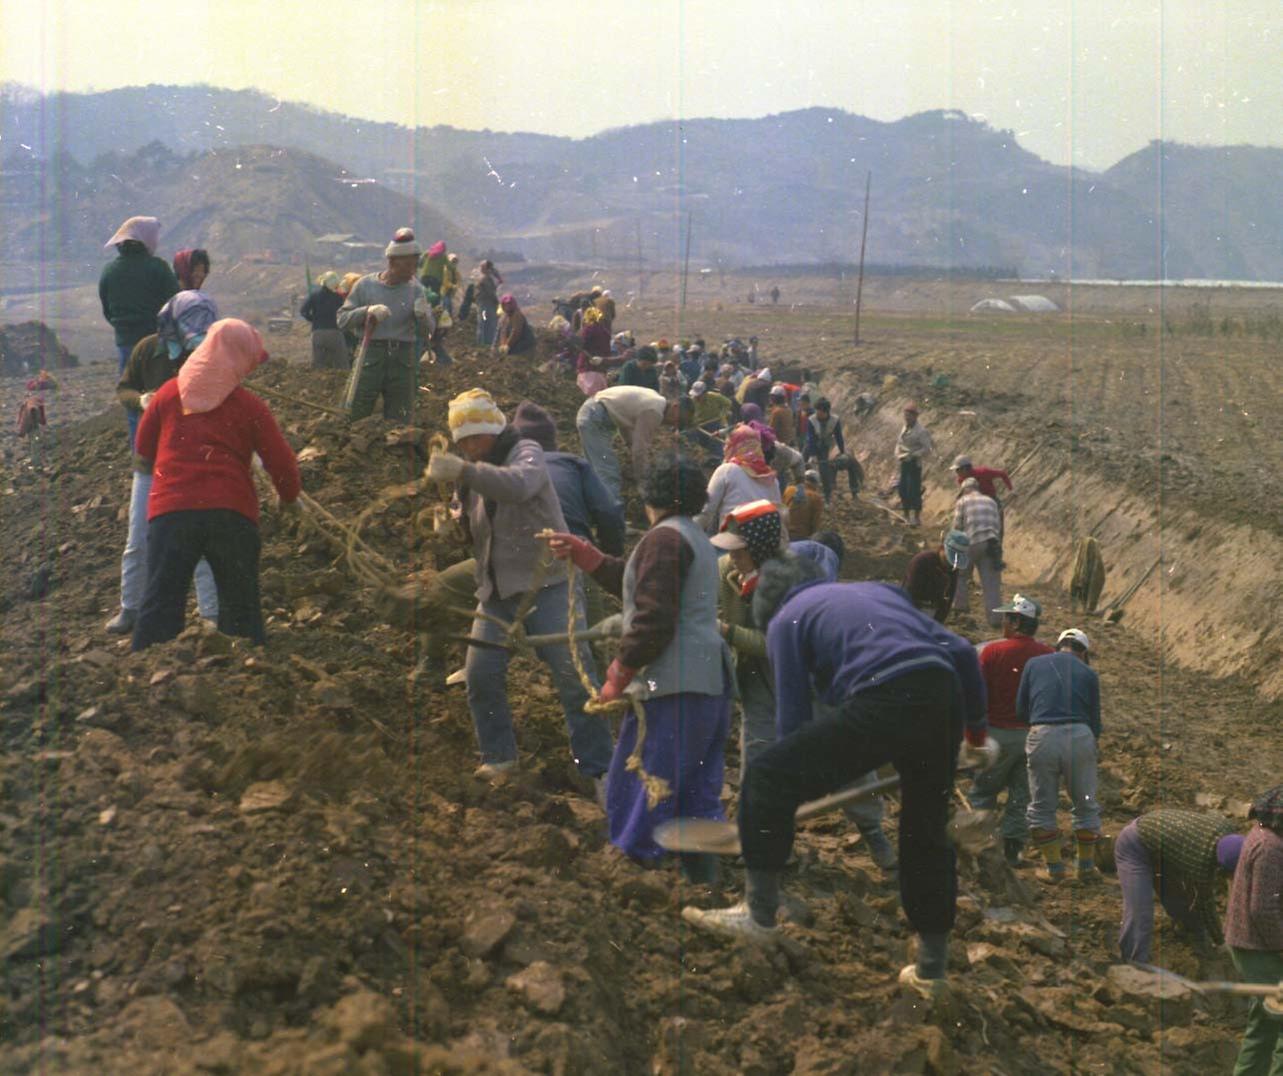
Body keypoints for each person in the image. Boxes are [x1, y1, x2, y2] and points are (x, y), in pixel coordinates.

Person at [683, 572, 992, 1003]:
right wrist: (977, 737)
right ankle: (931, 971)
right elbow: (961, 650)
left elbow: (791, 725)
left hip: (884, 693)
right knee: (925, 832)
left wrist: (783, 795)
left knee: (769, 773)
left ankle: (758, 914)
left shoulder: (784, 622)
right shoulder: (878, 590)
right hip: (941, 696)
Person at [546, 456, 732, 883]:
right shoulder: (693, 537)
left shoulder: (662, 540)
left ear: (650, 499)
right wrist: (588, 557)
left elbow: (652, 620)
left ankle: (631, 871)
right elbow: (644, 586)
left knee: (642, 777)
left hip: (672, 683)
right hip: (707, 681)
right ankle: (705, 882)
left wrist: (617, 675)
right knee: (693, 785)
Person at [424, 390, 615, 790]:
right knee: (480, 674)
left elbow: (518, 487)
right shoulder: (475, 471)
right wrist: (453, 522)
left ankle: (596, 766)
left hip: (547, 583)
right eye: (463, 444)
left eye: (474, 440)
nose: (470, 449)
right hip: (496, 589)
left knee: (572, 673)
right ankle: (499, 758)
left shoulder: (526, 453)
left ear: (493, 430)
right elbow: (478, 529)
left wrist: (462, 471)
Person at [131, 319, 300, 650]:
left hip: (171, 515)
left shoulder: (167, 395)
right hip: (231, 516)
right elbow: (281, 463)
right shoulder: (250, 406)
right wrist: (290, 498)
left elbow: (144, 448)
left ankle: (146, 674)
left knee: (161, 600)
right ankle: (245, 674)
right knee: (241, 605)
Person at [107, 290, 221, 635]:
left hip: (192, 460)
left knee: (200, 539)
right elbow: (123, 389)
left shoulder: (208, 356)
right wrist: (141, 400)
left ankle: (211, 613)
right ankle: (131, 607)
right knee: (139, 537)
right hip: (150, 459)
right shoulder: (147, 350)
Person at [512, 401, 625, 633]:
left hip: (513, 562)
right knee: (590, 639)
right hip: (572, 556)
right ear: (553, 441)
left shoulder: (503, 469)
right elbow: (608, 512)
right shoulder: (572, 464)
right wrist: (609, 556)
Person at [967, 595, 1055, 866]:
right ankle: (1013, 851)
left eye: (1007, 617)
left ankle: (982, 848)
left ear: (1017, 621)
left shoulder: (992, 652)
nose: (1003, 622)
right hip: (1034, 737)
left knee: (983, 792)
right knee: (1022, 796)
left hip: (998, 734)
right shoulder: (1048, 655)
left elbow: (976, 694)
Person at [1100, 808, 1242, 965]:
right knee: (1140, 912)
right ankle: (1134, 964)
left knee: (1181, 901)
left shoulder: (1228, 828)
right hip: (1135, 845)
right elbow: (1205, 903)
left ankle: (1192, 933)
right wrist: (1221, 941)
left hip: (1166, 846)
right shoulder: (1201, 862)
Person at [1019, 628, 1102, 883]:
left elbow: (1021, 709)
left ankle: (1054, 869)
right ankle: (1085, 867)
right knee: (1085, 803)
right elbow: (1095, 721)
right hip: (1080, 735)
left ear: (1058, 647)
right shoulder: (1088, 673)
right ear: (1083, 653)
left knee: (1043, 805)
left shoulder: (1033, 664)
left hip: (1042, 734)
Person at [336, 228, 434, 421]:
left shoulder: (416, 290)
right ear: (392, 262)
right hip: (371, 354)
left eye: (415, 265)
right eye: (407, 265)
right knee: (356, 412)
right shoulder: (365, 285)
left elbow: (427, 332)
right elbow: (342, 320)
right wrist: (366, 312)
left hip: (403, 358)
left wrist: (423, 317)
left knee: (400, 417)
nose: (412, 271)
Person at [1224, 785, 1283, 1075]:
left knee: (1263, 1026)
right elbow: (1262, 909)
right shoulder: (1270, 848)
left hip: (1255, 943)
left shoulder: (1264, 836)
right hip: (1257, 947)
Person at [575, 385, 687, 508]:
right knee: (608, 470)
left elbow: (626, 423)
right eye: (677, 420)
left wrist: (631, 445)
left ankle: (585, 506)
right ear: (676, 407)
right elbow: (639, 450)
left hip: (592, 412)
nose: (671, 424)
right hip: (596, 417)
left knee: (594, 468)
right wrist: (643, 482)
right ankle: (613, 516)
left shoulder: (655, 399)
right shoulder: (655, 411)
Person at [99, 216, 179, 377]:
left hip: (124, 340)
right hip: (156, 341)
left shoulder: (109, 270)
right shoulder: (158, 267)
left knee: (131, 389)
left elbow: (107, 310)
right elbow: (175, 303)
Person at [699, 426, 783, 534]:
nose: (725, 448)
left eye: (728, 444)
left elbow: (706, 511)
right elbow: (778, 515)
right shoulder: (771, 479)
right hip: (761, 543)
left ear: (735, 446)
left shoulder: (727, 470)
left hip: (730, 542)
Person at [952, 477, 1004, 626]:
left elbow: (957, 527)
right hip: (992, 543)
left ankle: (960, 609)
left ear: (965, 490)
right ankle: (995, 620)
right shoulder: (991, 501)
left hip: (972, 542)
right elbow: (998, 527)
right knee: (991, 583)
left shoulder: (963, 501)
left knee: (960, 575)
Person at [902, 531, 970, 623]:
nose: (950, 564)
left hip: (933, 613)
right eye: (949, 559)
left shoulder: (953, 569)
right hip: (911, 611)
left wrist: (937, 625)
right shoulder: (921, 562)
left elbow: (948, 600)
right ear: (942, 548)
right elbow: (908, 594)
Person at [803, 397, 862, 503]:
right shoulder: (812, 420)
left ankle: (827, 496)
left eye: (818, 411)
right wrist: (812, 455)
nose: (816, 413)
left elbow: (839, 437)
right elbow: (810, 438)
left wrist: (842, 451)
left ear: (825, 411)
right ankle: (803, 493)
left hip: (824, 446)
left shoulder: (834, 420)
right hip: (811, 446)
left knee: (824, 471)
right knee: (803, 467)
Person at [300, 271, 350, 370]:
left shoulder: (314, 296)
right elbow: (345, 312)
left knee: (318, 365)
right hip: (335, 333)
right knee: (342, 365)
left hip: (317, 333)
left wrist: (313, 320)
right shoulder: (338, 298)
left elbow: (303, 311)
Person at [894, 403, 933, 525]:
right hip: (904, 462)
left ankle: (916, 517)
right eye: (905, 416)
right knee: (903, 489)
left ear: (915, 417)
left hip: (914, 464)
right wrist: (898, 454)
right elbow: (899, 443)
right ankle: (905, 515)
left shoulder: (921, 431)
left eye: (909, 416)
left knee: (914, 490)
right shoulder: (905, 427)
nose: (907, 418)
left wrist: (913, 455)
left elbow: (927, 448)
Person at [782, 470, 825, 540]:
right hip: (801, 536)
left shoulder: (789, 490)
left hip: (784, 533)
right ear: (815, 483)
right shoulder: (816, 497)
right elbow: (816, 523)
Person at [474, 259, 503, 347]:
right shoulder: (484, 279)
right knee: (484, 322)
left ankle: (485, 343)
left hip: (485, 304)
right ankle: (483, 343)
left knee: (486, 322)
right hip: (484, 305)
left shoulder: (485, 278)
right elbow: (491, 292)